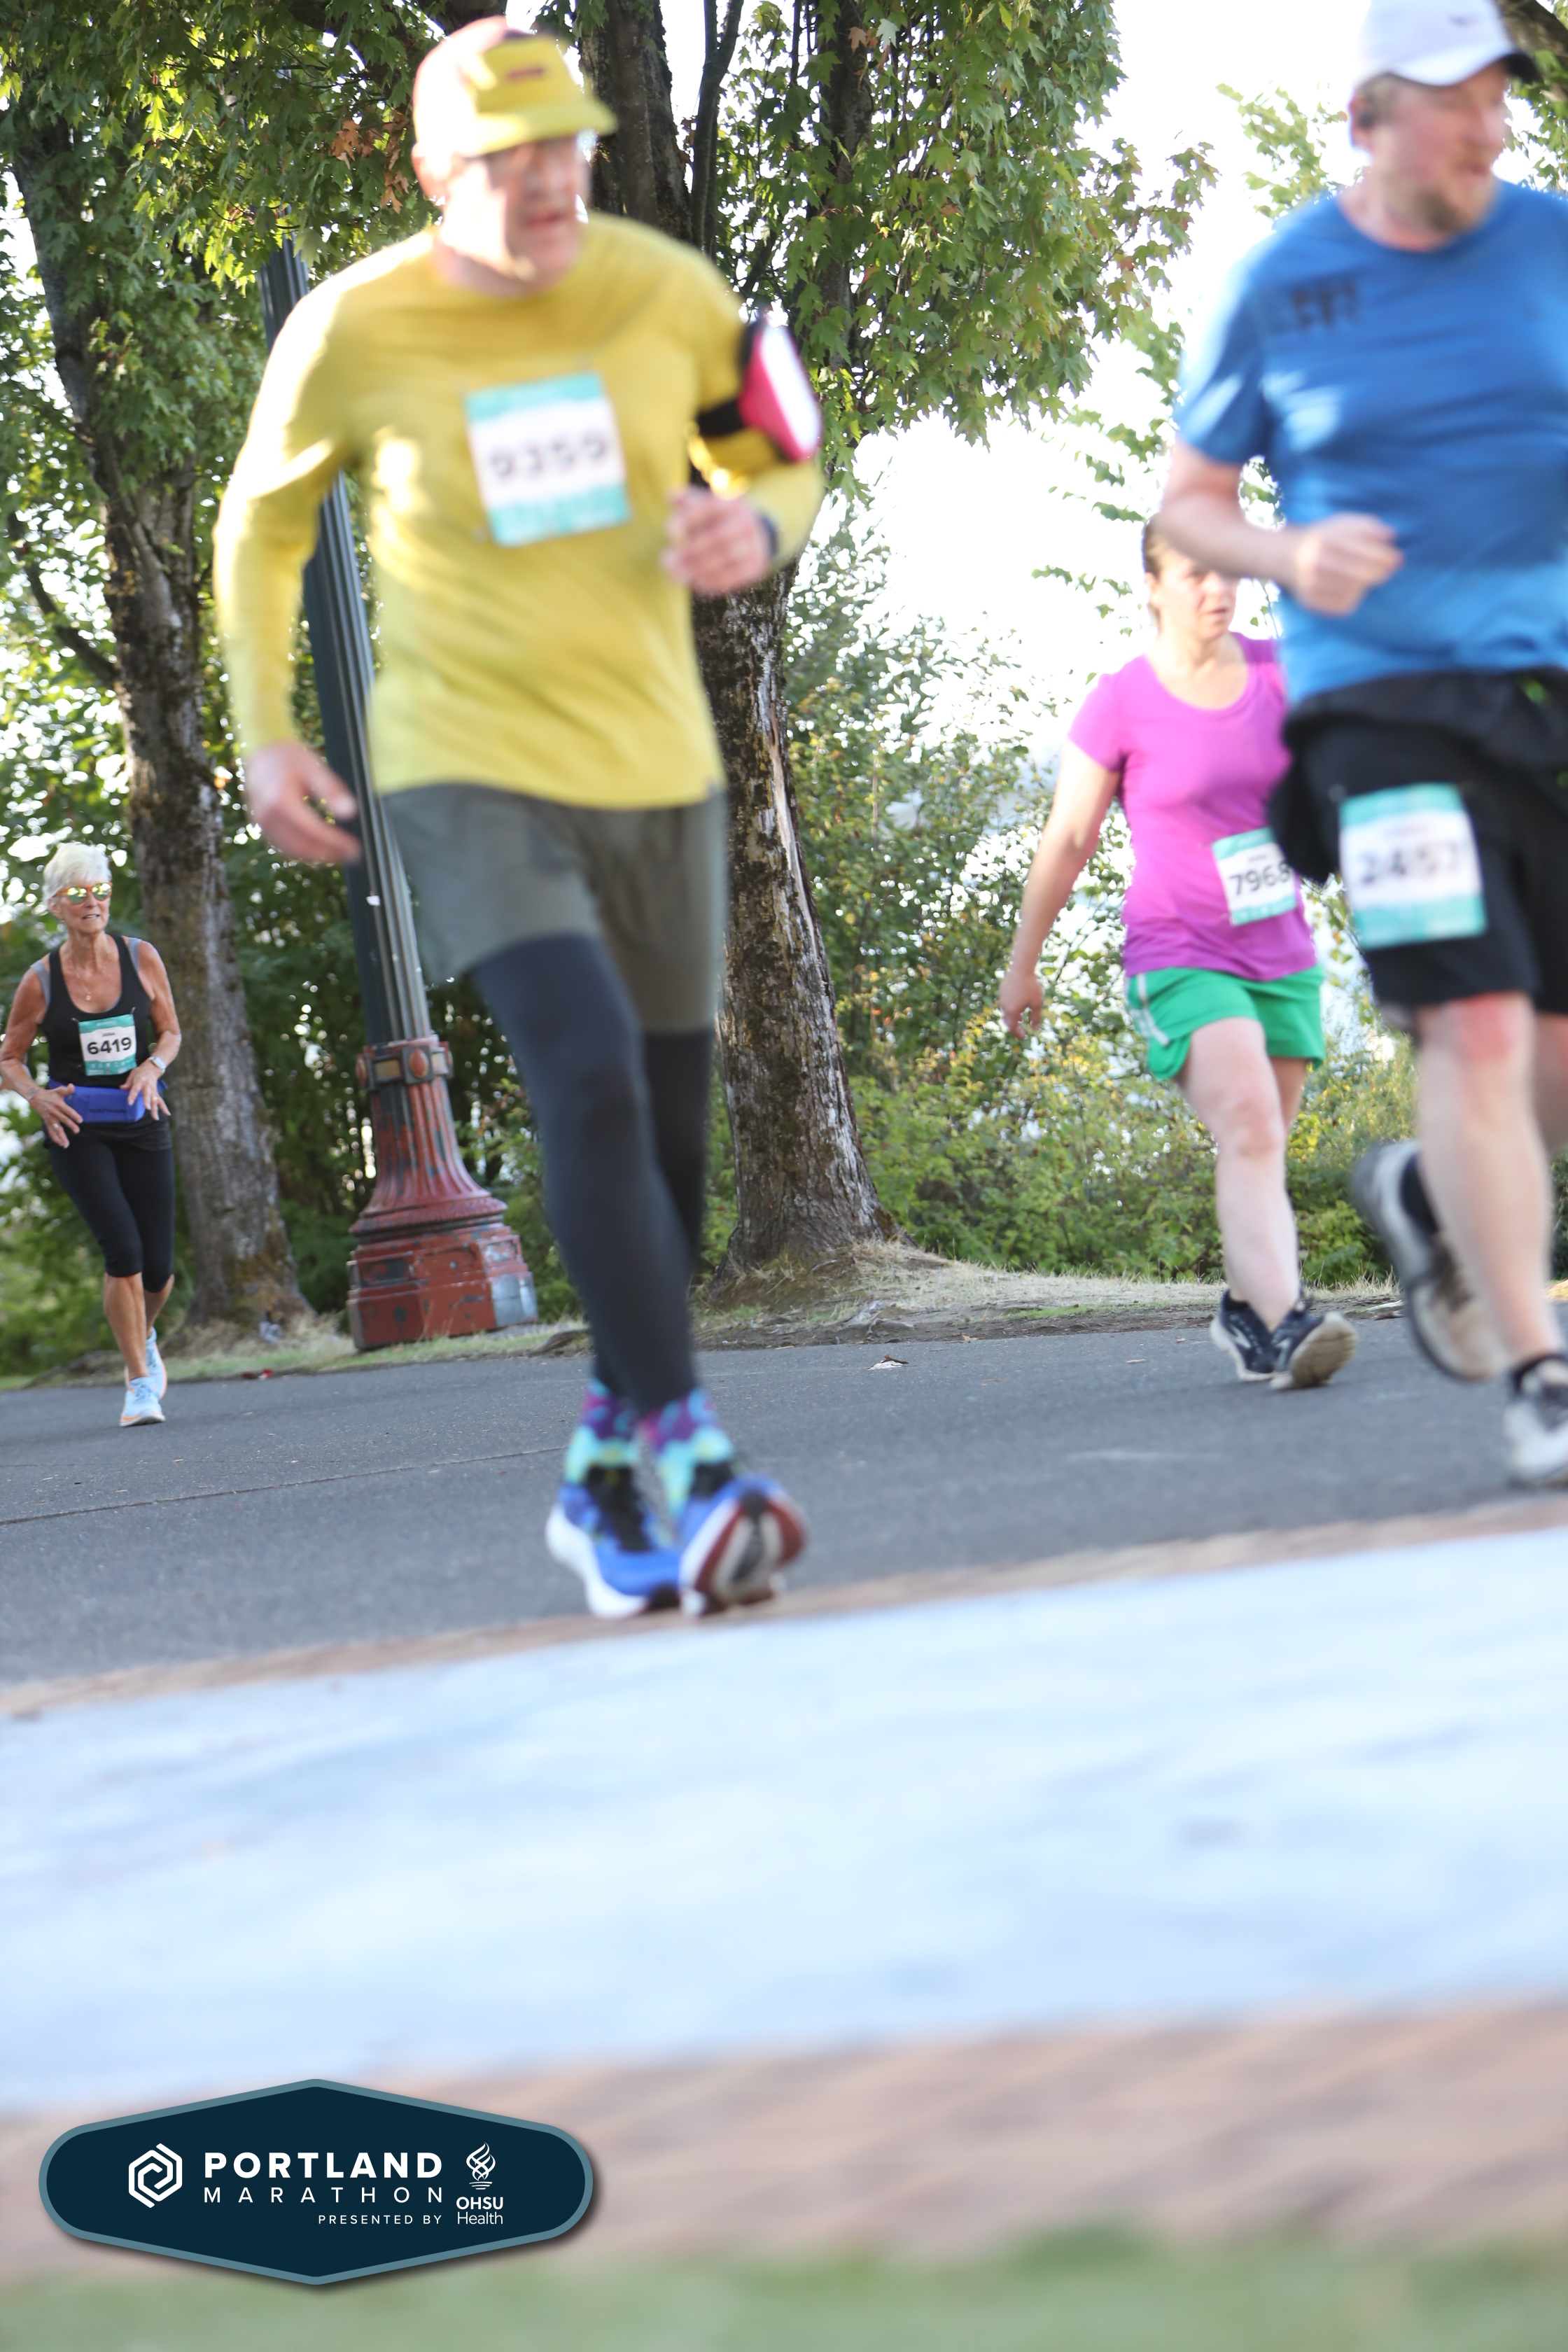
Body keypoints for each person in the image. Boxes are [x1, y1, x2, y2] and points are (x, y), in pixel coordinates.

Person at [214, 22, 822, 1615]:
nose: (551, 178)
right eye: (508, 157)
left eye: (568, 143)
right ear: (434, 172)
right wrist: (267, 730)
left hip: (657, 765)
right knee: (588, 1076)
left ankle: (598, 1485)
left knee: (668, 1150)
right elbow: (263, 524)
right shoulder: (357, 326)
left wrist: (757, 522)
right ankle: (695, 1457)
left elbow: (777, 445)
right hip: (464, 762)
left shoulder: (664, 288)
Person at [1156, 0, 1568, 1485]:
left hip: (1544, 694)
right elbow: (1187, 502)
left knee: (1550, 1061)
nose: (1488, 127)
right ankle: (1538, 1375)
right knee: (1474, 1027)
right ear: (1369, 118)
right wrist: (1284, 554)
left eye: (1499, 98)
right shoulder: (1282, 280)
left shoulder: (1552, 244)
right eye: (1456, 103)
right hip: (1375, 713)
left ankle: (1435, 1202)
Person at [1000, 524, 1356, 1390]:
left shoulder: (1280, 672)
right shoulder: (1121, 701)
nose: (1217, 589)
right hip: (1179, 951)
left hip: (1281, 950)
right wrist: (1023, 961)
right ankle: (1288, 1323)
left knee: (1260, 1145)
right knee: (1249, 1123)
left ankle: (1244, 1308)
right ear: (1152, 587)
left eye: (1227, 573)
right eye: (1195, 574)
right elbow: (1070, 837)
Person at [0, 844, 180, 1424]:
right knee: (123, 1252)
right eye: (77, 893)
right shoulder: (40, 981)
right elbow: (9, 1058)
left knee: (159, 1269)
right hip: (77, 1127)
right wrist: (37, 1095)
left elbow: (171, 1032)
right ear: (56, 905)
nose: (92, 902)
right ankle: (138, 1382)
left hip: (140, 1117)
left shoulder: (141, 957)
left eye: (100, 890)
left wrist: (152, 1066)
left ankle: (143, 1334)